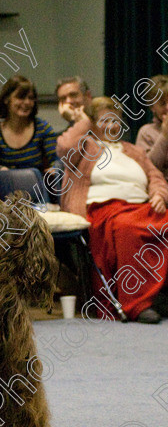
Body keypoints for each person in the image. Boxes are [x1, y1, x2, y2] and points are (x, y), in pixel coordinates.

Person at [57, 96, 168, 324]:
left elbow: (155, 176)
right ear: (93, 124)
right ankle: (136, 303)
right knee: (127, 227)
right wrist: (85, 119)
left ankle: (160, 297)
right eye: (104, 121)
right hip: (104, 209)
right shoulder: (85, 148)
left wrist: (158, 194)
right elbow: (64, 146)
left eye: (115, 121)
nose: (111, 126)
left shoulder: (133, 150)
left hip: (141, 207)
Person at [0, 75, 57, 172]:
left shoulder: (43, 129)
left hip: (34, 186)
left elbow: (57, 160)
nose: (27, 102)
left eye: (31, 98)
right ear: (6, 100)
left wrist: (56, 168)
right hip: (3, 185)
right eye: (21, 97)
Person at [135, 75, 168, 179]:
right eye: (163, 103)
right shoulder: (146, 132)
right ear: (152, 107)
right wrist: (164, 135)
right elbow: (147, 167)